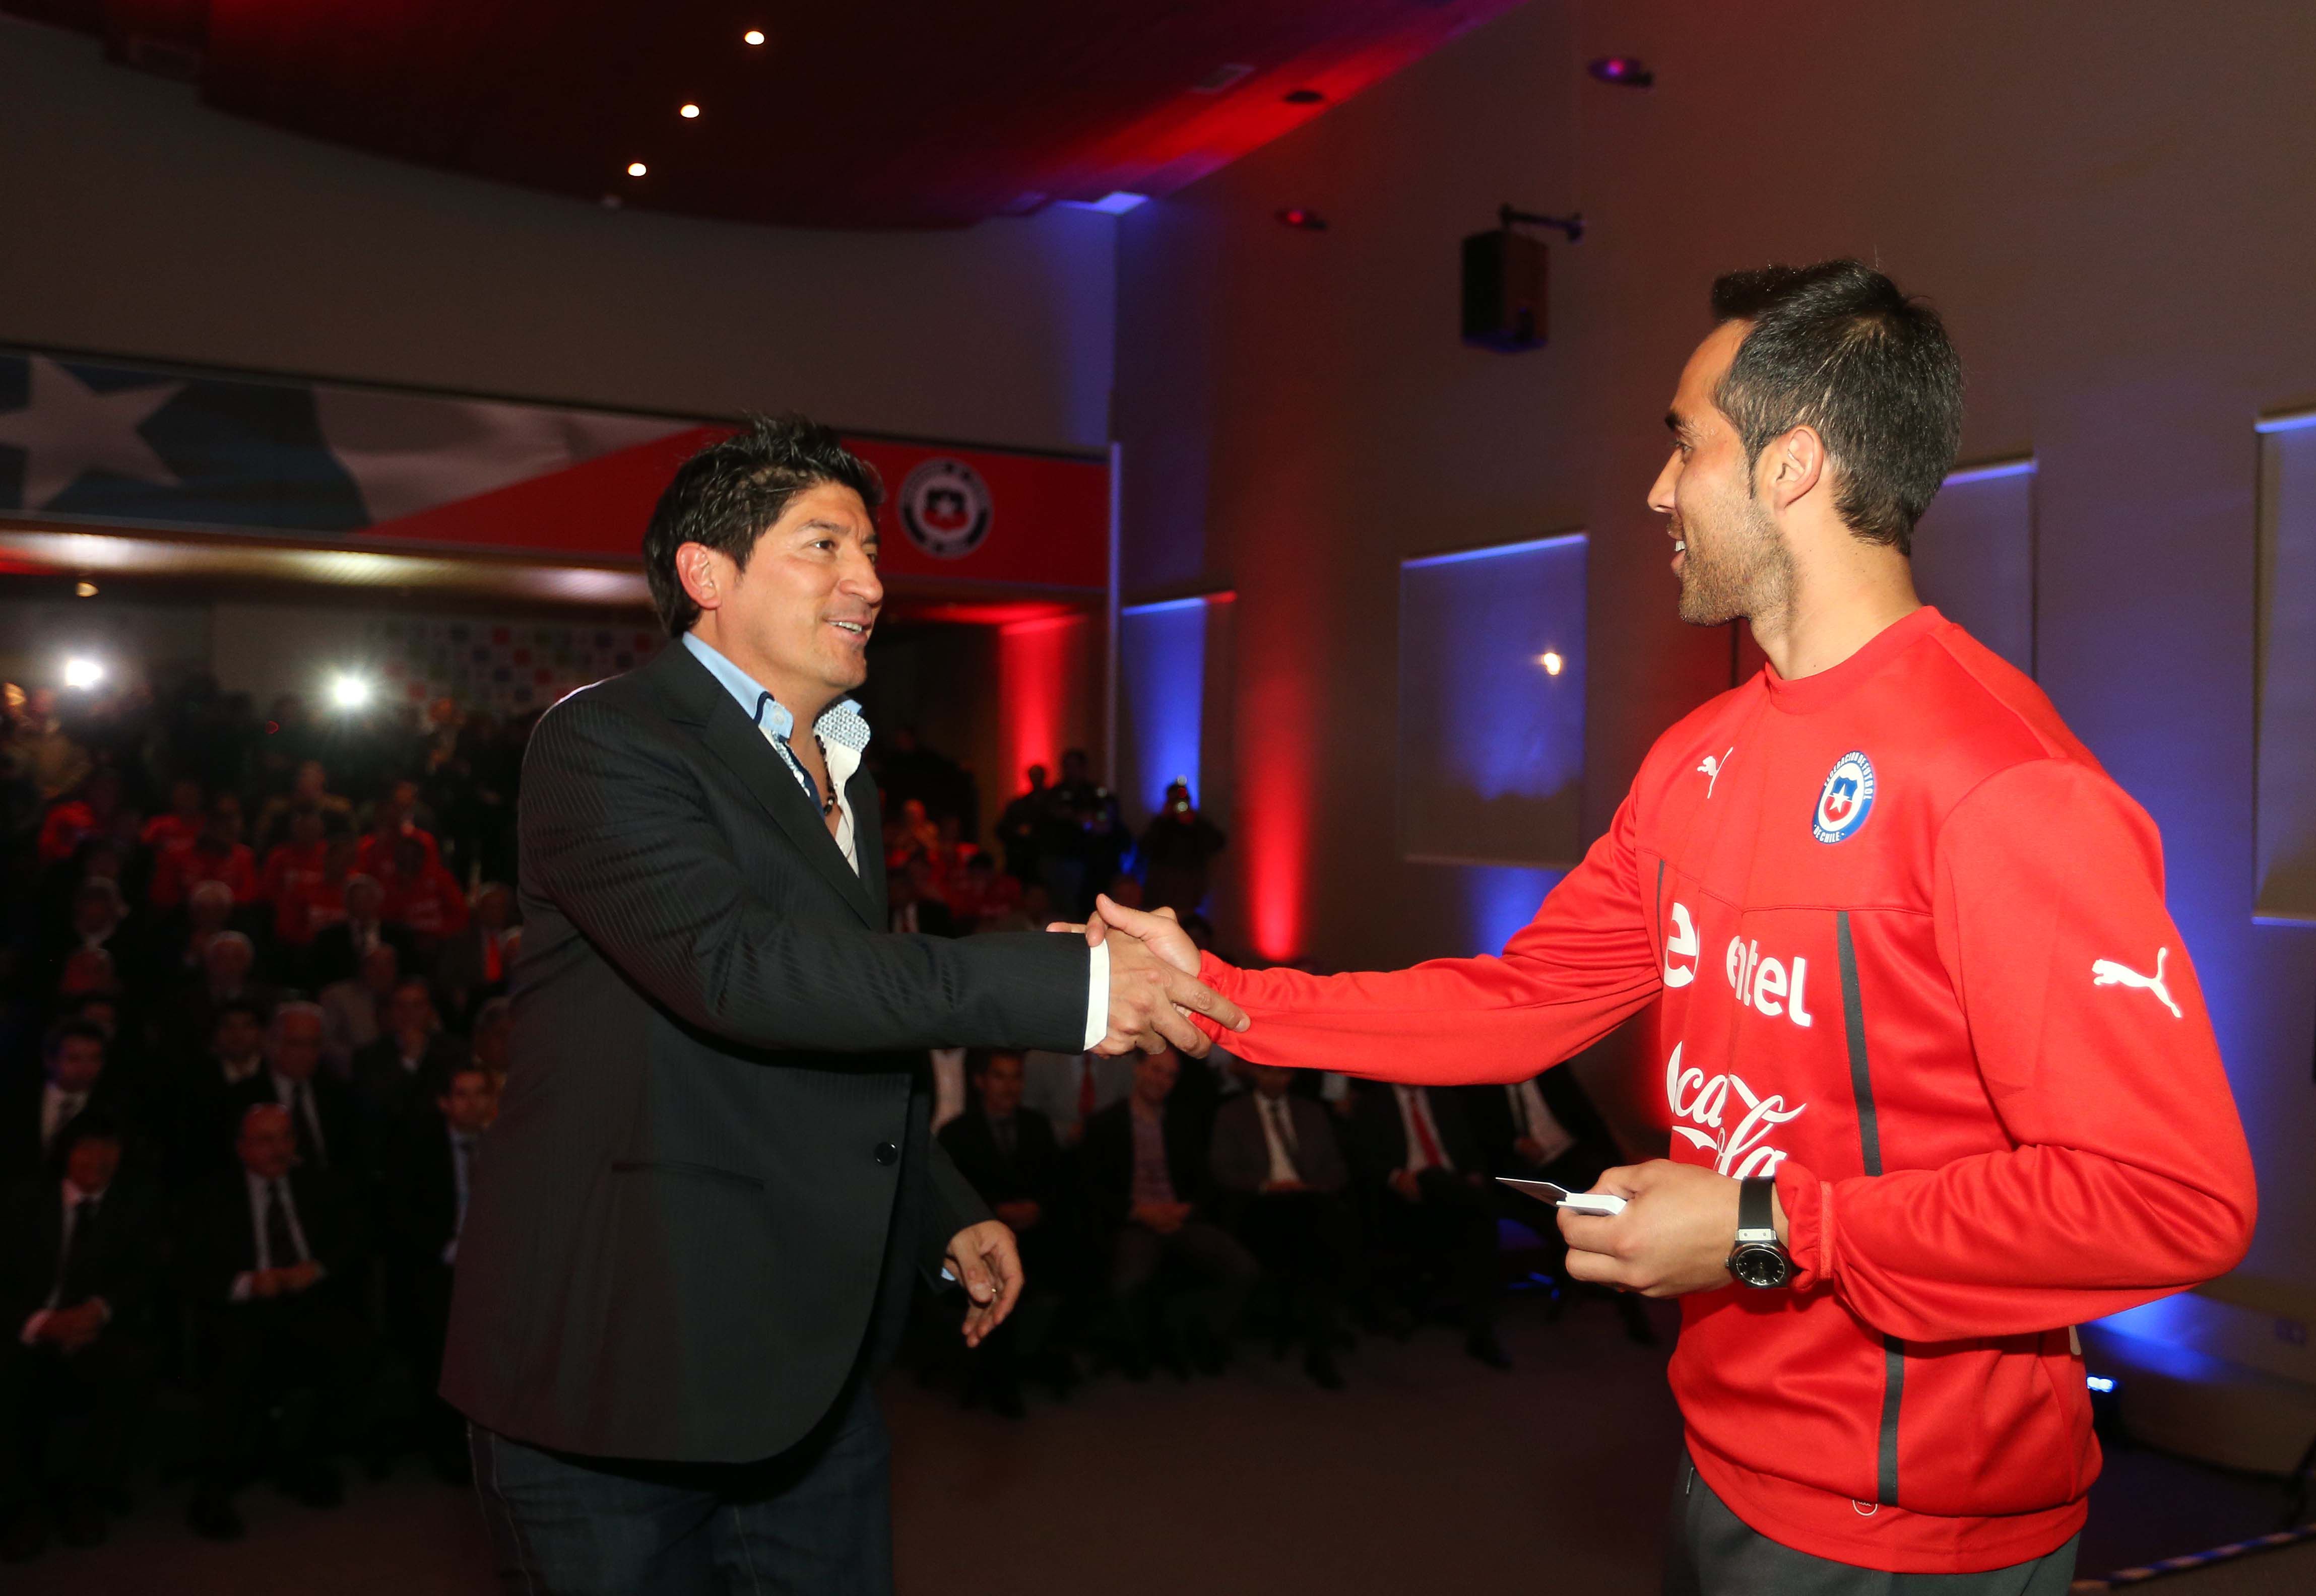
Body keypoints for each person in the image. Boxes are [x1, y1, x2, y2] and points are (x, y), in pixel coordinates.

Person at [1091, 261, 2258, 1594]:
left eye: (1683, 443)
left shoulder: (2000, 786)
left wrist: (1767, 1227)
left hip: (1913, 1529)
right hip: (1720, 1466)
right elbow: (1519, 1001)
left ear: (1789, 465)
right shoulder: (1695, 759)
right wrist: (1226, 995)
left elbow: (2169, 1206)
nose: (1656, 491)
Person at [441, 415, 1242, 1596]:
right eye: (824, 545)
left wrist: (936, 1205)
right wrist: (1067, 982)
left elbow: (839, 1024)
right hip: (621, 1365)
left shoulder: (840, 769)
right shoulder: (606, 739)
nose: (869, 581)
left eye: (870, 552)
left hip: (804, 1377)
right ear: (703, 575)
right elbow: (739, 970)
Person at [0, 1115, 160, 1561]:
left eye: (109, 1148)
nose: (99, 1159)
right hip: (27, 1324)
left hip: (97, 1325)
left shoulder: (136, 1204)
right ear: (66, 1151)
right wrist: (39, 1323)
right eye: (87, 1147)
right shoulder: (22, 1202)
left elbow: (144, 1275)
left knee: (132, 1364)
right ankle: (21, 1504)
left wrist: (97, 1310)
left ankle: (87, 1494)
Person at [1080, 1047, 1257, 1378]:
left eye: (1170, 1075)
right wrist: (1138, 1212)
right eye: (1156, 1070)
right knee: (1127, 1283)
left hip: (1180, 1220)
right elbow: (1092, 1189)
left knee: (1242, 1269)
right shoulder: (1106, 1124)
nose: (1162, 1080)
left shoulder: (1185, 1122)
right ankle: (1140, 1352)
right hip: (1134, 1222)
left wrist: (1186, 1208)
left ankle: (1194, 1332)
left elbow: (1206, 1181)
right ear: (1138, 1070)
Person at [937, 1050, 1073, 1416]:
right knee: (998, 1274)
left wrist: (1039, 1208)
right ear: (981, 1082)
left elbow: (1058, 1183)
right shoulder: (956, 1133)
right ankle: (1001, 1382)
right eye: (999, 1076)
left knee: (1074, 1252)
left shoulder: (1037, 1126)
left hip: (1036, 1232)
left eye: (1016, 1077)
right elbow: (954, 1194)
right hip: (981, 1239)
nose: (1009, 1086)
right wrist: (995, 1213)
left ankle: (1053, 1356)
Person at [1207, 1065, 1360, 1388]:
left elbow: (1337, 1168)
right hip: (1260, 1207)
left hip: (1309, 1203)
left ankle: (1320, 1345)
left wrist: (1313, 1187)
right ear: (1255, 1074)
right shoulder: (1233, 1113)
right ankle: (1325, 1334)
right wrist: (1265, 1186)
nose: (1276, 1080)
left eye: (1283, 1074)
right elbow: (1222, 1170)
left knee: (1325, 1231)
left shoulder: (1311, 1112)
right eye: (1269, 1073)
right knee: (1325, 1236)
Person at [1344, 1079, 1508, 1369]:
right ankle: (1478, 1322)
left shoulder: (1446, 1097)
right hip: (1403, 1192)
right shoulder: (1373, 1102)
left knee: (1472, 1217)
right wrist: (1394, 1176)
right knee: (1452, 1191)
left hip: (1452, 1187)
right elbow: (1361, 1155)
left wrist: (1474, 1173)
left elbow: (1470, 1147)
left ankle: (1482, 1327)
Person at [383, 1065, 497, 1481]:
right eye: (462, 1094)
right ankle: (448, 1443)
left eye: (479, 1093)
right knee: (440, 1338)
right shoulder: (418, 1147)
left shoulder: (504, 1143)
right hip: (440, 1264)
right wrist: (452, 1251)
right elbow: (401, 1213)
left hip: (497, 1265)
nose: (472, 1103)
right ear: (444, 1103)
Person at [1138, 779, 1227, 917]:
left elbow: (1217, 843)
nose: (1178, 806)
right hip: (1162, 883)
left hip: (1189, 883)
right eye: (1173, 801)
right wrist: (1163, 820)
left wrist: (1193, 824)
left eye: (1181, 801)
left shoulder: (1197, 823)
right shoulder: (1160, 824)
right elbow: (1144, 848)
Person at [996, 762, 1049, 884]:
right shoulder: (1019, 804)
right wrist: (1018, 832)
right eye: (1034, 776)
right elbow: (1001, 829)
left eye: (1039, 776)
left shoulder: (1053, 802)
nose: (1036, 779)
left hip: (1045, 859)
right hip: (1020, 860)